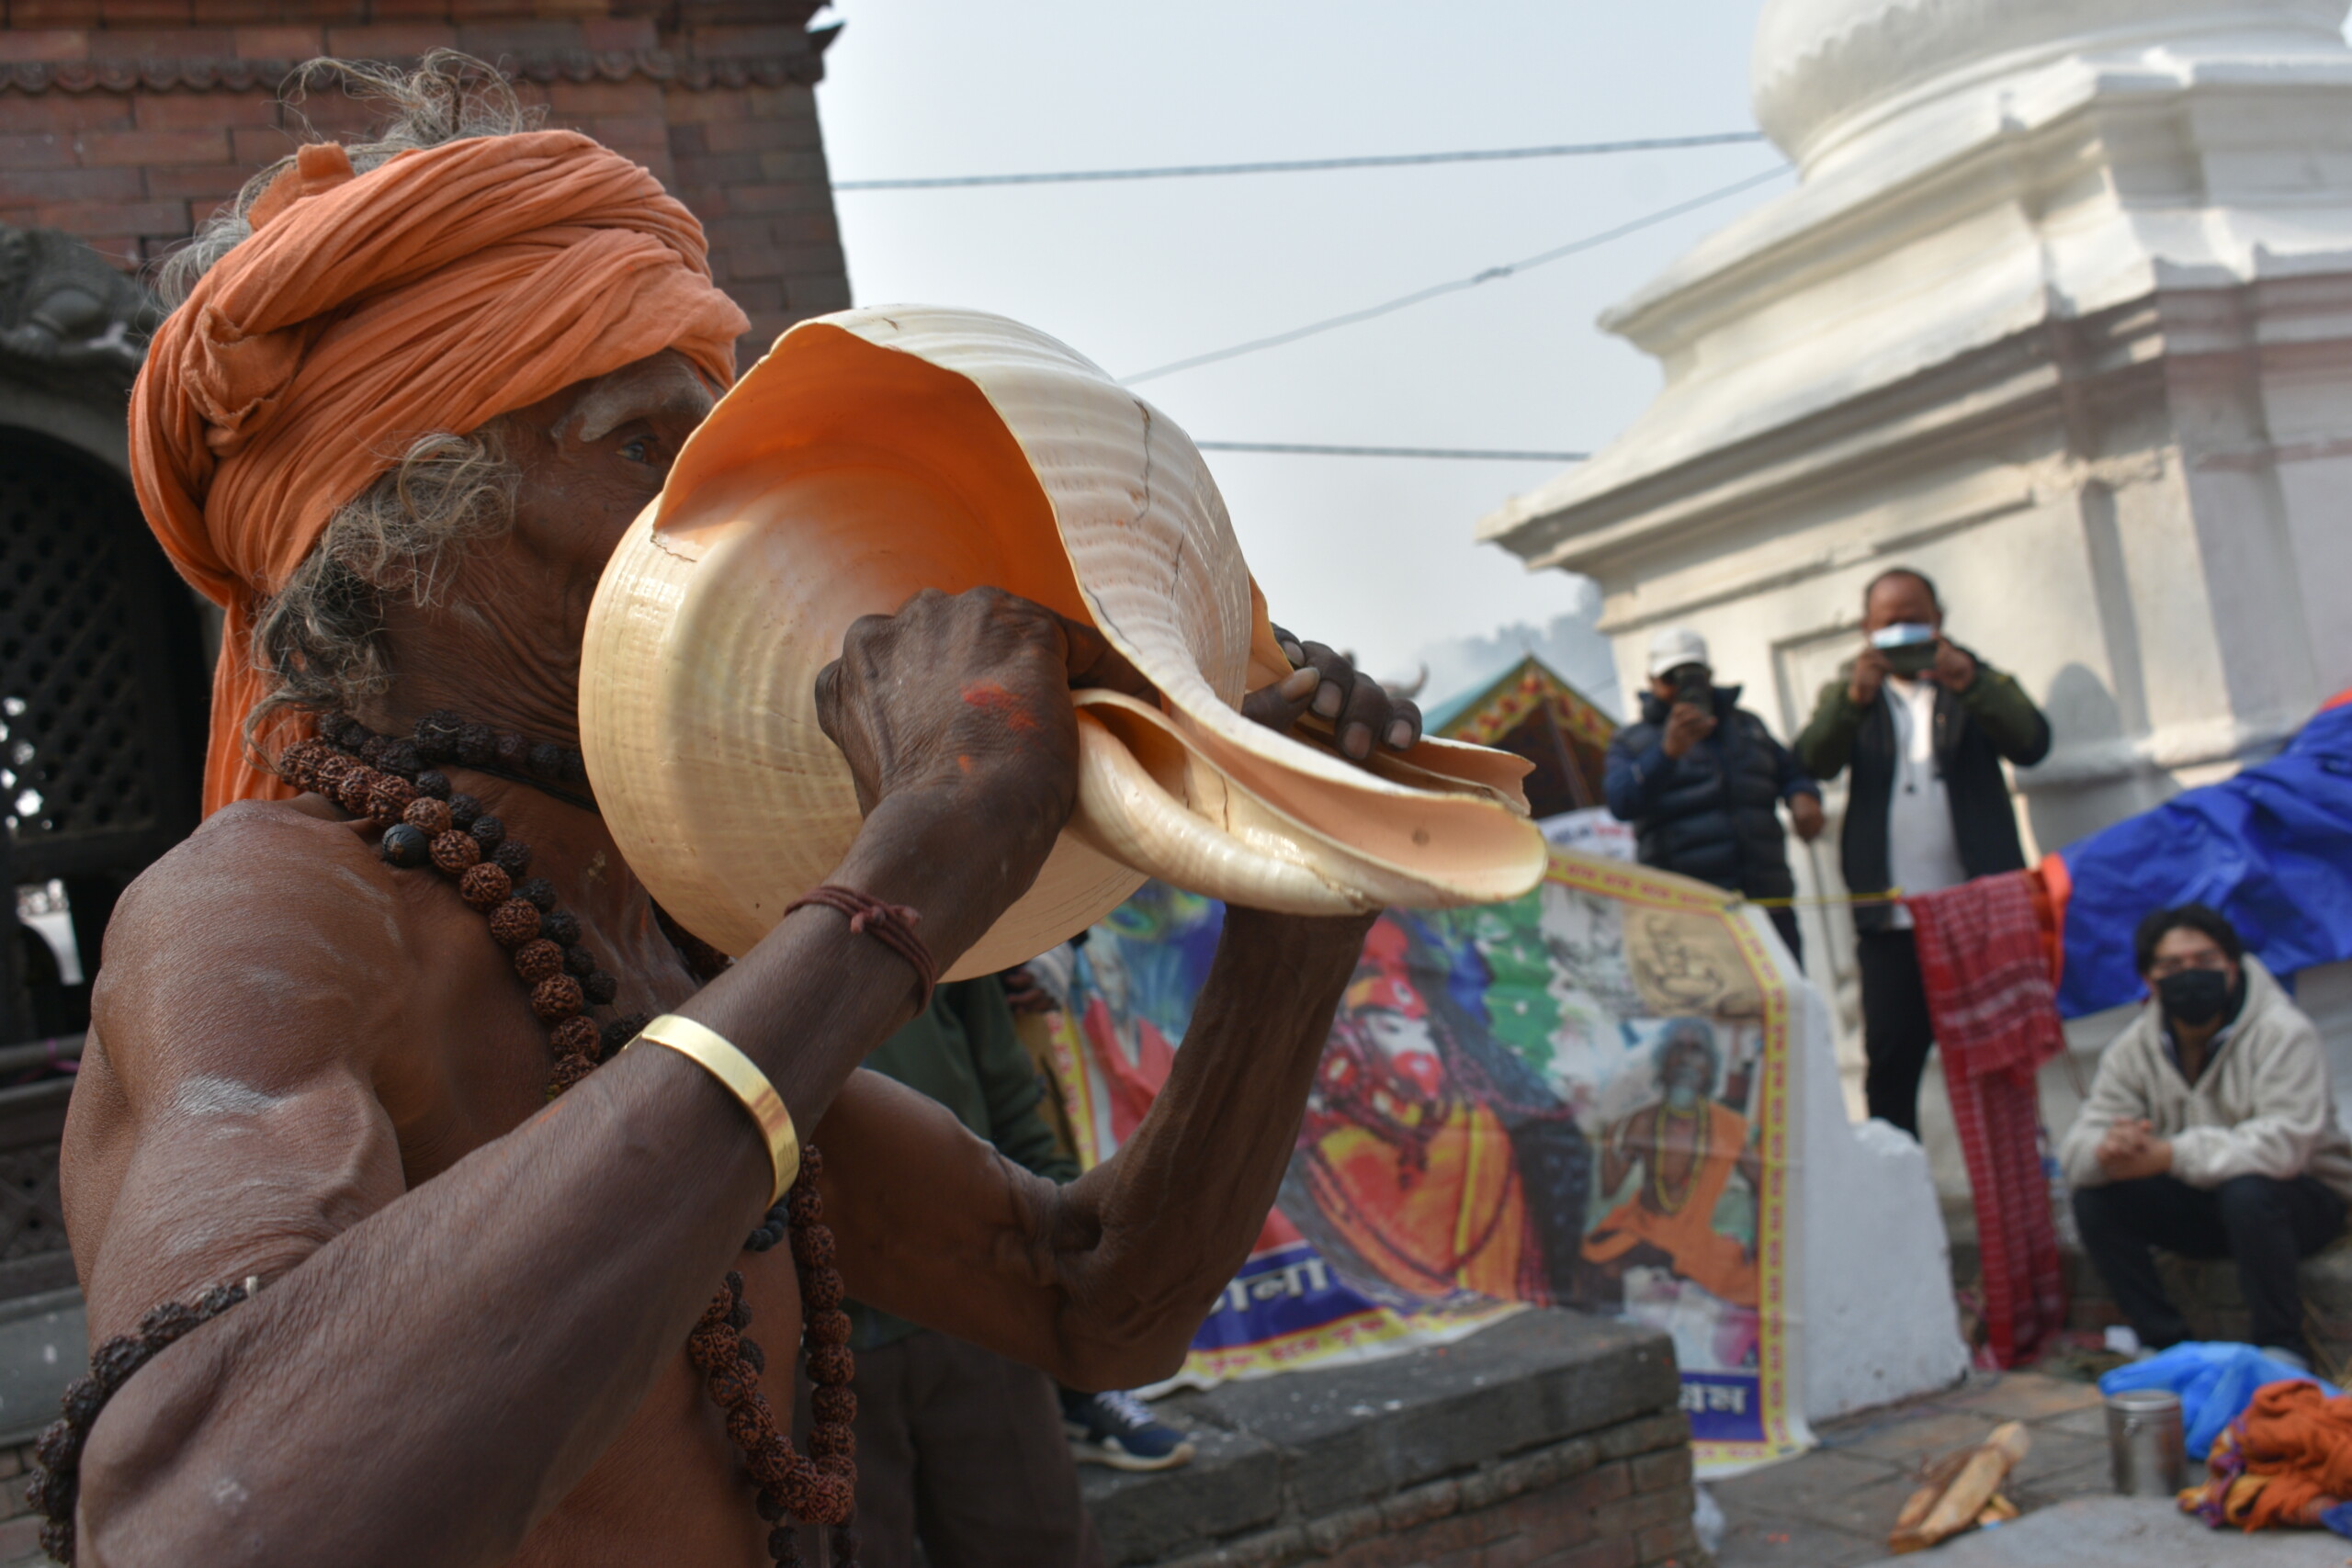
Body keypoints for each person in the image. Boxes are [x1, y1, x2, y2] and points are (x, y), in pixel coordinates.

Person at [50, 57, 1425, 1568]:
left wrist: (1304, 892)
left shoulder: (630, 943)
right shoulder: (264, 906)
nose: (731, 514)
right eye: (650, 447)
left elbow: (1088, 1293)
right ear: (413, 528)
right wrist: (905, 876)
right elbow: (208, 1523)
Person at [834, 975, 1179, 1568]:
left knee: (1036, 1541)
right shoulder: (684, 923)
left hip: (973, 1308)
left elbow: (1011, 1100)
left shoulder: (919, 911)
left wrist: (1082, 1249)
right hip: (803, 1340)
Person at [1792, 569, 2051, 1135]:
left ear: (1939, 621)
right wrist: (1853, 700)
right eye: (1889, 624)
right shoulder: (1853, 695)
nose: (1903, 634)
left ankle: (2018, 1182)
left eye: (1916, 620)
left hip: (1978, 912)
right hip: (1890, 918)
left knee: (2001, 1054)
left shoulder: (1973, 683)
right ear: (1866, 630)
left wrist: (1972, 682)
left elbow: (2032, 743)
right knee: (1890, 1061)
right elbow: (1811, 760)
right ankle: (1898, 1188)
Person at [2059, 906, 2352, 1371]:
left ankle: (2281, 1349)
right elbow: (2079, 1146)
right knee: (2096, 1199)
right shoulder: (2134, 1048)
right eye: (2172, 967)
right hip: (2208, 1205)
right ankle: (2166, 1345)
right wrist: (2110, 1149)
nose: (2189, 976)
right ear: (2149, 981)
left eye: (2205, 961)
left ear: (2232, 967)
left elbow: (2284, 1146)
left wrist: (2169, 1155)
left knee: (2249, 1192)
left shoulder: (2283, 1033)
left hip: (2300, 1204)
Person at [1604, 627, 1823, 968]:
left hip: (1767, 902)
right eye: (1670, 677)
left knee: (1787, 1003)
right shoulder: (1631, 743)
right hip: (1690, 916)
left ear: (1709, 675)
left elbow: (1791, 771)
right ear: (1652, 681)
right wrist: (1666, 754)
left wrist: (1803, 795)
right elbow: (1621, 802)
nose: (1682, 687)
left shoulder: (1747, 725)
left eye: (1691, 675)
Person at [1584, 1021, 1763, 1309]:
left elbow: (1764, 1184)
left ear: (1710, 1067)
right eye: (1678, 1049)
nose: (1686, 1060)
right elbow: (1610, 1187)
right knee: (1596, 1269)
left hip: (1696, 1244)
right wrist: (1609, 1140)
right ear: (1663, 1062)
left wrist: (1758, 1239)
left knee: (1756, 1288)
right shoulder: (1643, 1121)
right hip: (1642, 1231)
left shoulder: (1729, 1127)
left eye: (1697, 1051)